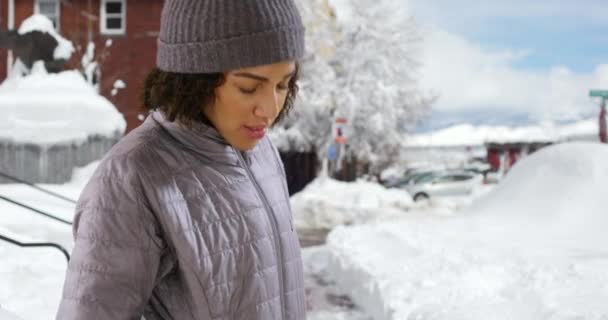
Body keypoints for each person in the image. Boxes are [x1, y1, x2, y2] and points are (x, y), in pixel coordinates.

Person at [56, 0, 306, 319]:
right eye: (248, 88)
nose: (269, 110)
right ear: (194, 80)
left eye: (283, 84)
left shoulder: (261, 152)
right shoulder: (133, 176)